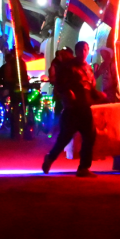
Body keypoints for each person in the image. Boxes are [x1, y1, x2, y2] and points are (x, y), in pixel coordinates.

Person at [42, 43, 105, 177]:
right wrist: (67, 93)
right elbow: (59, 84)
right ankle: (50, 158)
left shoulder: (88, 68)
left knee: (89, 137)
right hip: (72, 108)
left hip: (85, 107)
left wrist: (98, 95)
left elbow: (90, 87)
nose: (83, 52)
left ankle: (83, 168)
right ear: (76, 51)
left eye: (85, 49)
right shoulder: (68, 67)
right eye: (80, 50)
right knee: (65, 137)